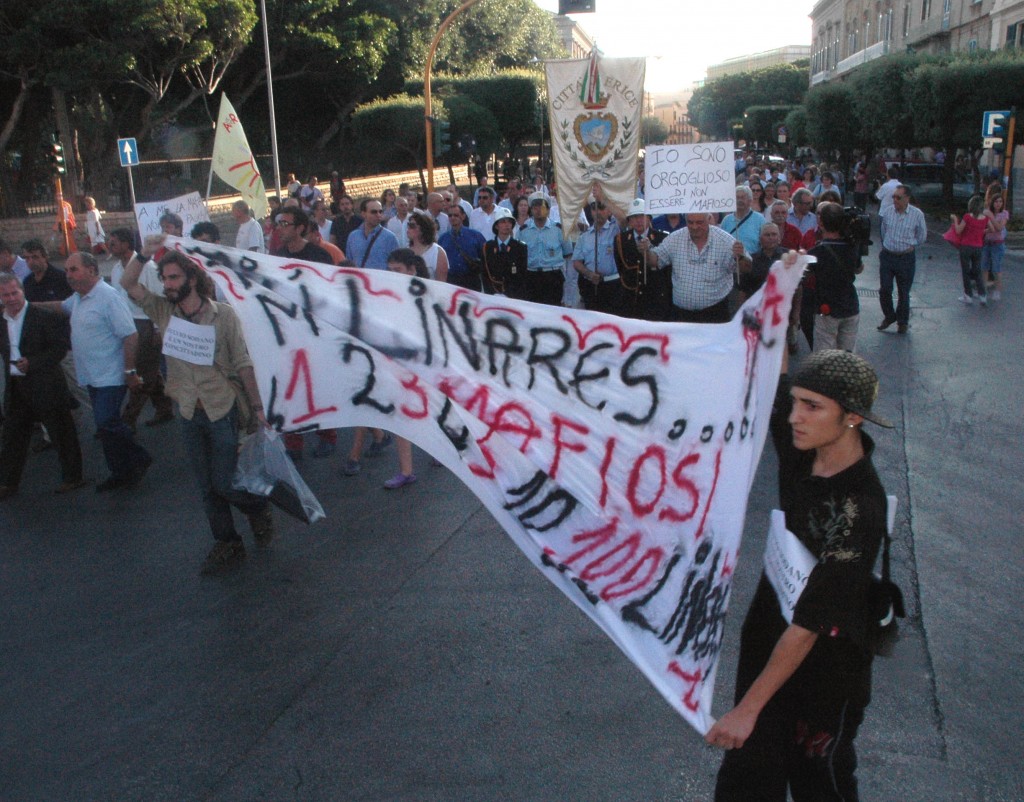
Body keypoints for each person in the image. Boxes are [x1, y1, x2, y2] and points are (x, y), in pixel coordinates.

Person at [709, 346, 892, 802]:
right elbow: (775, 371)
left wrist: (748, 709)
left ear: (852, 418)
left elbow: (811, 625)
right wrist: (784, 286)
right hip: (771, 641)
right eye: (797, 402)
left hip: (826, 673)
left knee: (818, 782)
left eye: (812, 407)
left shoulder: (859, 509)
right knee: (747, 778)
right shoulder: (801, 452)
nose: (794, 417)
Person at [121, 244, 274, 574]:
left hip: (222, 407)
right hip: (188, 410)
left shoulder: (223, 314)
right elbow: (128, 283)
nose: (168, 284)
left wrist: (258, 407)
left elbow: (243, 362)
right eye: (164, 279)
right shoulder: (164, 312)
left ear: (192, 277)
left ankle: (258, 507)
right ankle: (227, 542)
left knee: (224, 482)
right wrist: (145, 254)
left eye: (174, 277)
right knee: (206, 487)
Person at [61, 252, 152, 491]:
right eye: (67, 270)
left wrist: (130, 370)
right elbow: (60, 307)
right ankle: (120, 472)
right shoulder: (79, 298)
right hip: (91, 375)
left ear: (91, 270)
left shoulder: (108, 298)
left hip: (111, 375)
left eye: (74, 269)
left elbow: (130, 334)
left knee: (106, 421)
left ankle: (139, 457)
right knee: (105, 426)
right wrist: (23, 305)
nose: (68, 275)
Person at [0, 272, 86, 499]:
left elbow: (59, 349)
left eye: (14, 293)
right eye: (5, 295)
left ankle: (73, 477)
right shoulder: (2, 321)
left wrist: (33, 363)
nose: (11, 299)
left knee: (62, 433)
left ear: (22, 291)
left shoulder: (44, 317)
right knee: (12, 437)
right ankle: (8, 483)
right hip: (16, 387)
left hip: (46, 385)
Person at [106, 228, 174, 428]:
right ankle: (164, 408)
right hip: (127, 324)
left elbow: (160, 299)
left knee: (141, 374)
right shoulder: (117, 269)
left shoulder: (149, 268)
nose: (110, 246)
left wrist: (157, 330)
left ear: (127, 244)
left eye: (114, 242)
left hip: (146, 324)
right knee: (150, 369)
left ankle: (128, 420)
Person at [381, 249, 431, 489]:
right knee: (401, 414)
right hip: (400, 364)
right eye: (389, 270)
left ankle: (449, 453)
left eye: (397, 270)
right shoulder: (387, 295)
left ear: (412, 270)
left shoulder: (427, 294)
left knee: (434, 410)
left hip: (426, 364)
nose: (392, 275)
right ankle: (406, 470)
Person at [644, 213, 750, 323]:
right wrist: (646, 251)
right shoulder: (675, 238)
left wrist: (740, 257)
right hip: (681, 315)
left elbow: (746, 269)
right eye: (690, 222)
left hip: (714, 313)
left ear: (708, 219)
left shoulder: (725, 240)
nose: (694, 227)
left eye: (699, 222)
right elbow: (655, 261)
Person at [808, 203, 863, 352]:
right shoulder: (852, 247)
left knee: (825, 358)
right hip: (850, 306)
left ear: (821, 223)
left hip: (827, 308)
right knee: (847, 356)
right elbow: (858, 269)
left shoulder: (816, 252)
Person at [877, 186, 928, 333]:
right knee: (885, 289)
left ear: (907, 198)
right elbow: (883, 231)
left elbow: (922, 236)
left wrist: (910, 245)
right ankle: (889, 315)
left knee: (904, 292)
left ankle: (902, 322)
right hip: (888, 255)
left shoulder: (917, 214)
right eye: (893, 197)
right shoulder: (887, 212)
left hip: (905, 257)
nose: (895, 200)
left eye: (898, 197)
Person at [613, 199, 670, 320]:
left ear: (649, 218)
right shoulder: (620, 239)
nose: (638, 220)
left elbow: (665, 269)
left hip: (654, 298)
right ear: (629, 221)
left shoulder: (662, 238)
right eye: (634, 217)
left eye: (642, 216)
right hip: (631, 299)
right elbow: (621, 267)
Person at [518, 194, 570, 305]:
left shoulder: (559, 230)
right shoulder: (523, 231)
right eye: (535, 207)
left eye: (542, 207)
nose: (538, 210)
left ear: (548, 210)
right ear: (531, 210)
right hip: (531, 276)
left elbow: (568, 253)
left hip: (552, 276)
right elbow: (520, 255)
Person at [572, 200, 622, 314]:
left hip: (612, 285)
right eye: (594, 209)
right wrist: (588, 273)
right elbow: (576, 262)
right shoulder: (584, 236)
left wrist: (604, 198)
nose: (598, 212)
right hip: (591, 285)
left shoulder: (616, 230)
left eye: (602, 208)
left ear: (609, 211)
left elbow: (624, 220)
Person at [950, 195, 993, 306]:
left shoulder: (967, 217)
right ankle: (982, 296)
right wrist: (981, 231)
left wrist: (955, 220)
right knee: (977, 271)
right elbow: (992, 229)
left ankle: (968, 295)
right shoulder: (985, 218)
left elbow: (959, 230)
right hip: (978, 247)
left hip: (966, 247)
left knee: (966, 271)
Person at [481, 207, 528, 298]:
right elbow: (485, 275)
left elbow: (522, 276)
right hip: (493, 296)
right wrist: (493, 294)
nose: (507, 225)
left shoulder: (520, 247)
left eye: (509, 222)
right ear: (496, 226)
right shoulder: (488, 247)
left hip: (514, 296)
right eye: (503, 222)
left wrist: (508, 295)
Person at [438, 204, 486, 291]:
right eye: (450, 215)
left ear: (463, 216)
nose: (452, 218)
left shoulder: (475, 235)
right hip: (451, 280)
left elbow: (484, 256)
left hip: (471, 279)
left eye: (456, 215)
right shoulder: (443, 238)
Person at [740, 223, 787, 302]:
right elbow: (743, 290)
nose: (771, 238)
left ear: (779, 237)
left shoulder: (788, 256)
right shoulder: (751, 260)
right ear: (760, 238)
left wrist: (796, 312)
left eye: (774, 234)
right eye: (767, 235)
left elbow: (798, 287)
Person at [346, 199, 399, 270]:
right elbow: (349, 263)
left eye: (380, 212)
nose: (378, 215)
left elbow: (397, 266)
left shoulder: (390, 237)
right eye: (373, 212)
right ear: (363, 214)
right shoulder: (353, 237)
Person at [721, 186, 766, 255]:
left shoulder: (760, 219)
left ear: (750, 200)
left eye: (743, 197)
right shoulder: (726, 220)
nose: (739, 200)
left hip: (751, 261)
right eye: (737, 197)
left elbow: (765, 244)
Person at [982, 191, 1009, 301]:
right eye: (996, 201)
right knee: (984, 267)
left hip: (998, 244)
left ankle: (997, 290)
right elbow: (983, 228)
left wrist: (991, 217)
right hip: (987, 243)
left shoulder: (1004, 214)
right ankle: (982, 289)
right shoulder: (987, 213)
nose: (998, 204)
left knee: (996, 268)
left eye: (1000, 202)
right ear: (992, 202)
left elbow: (999, 228)